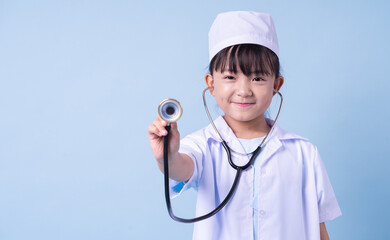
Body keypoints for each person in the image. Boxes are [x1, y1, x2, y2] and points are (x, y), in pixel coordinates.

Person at [148, 11, 341, 240]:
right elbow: (182, 167)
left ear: (276, 85)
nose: (244, 90)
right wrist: (167, 157)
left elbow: (317, 226)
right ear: (211, 84)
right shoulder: (203, 145)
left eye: (258, 78)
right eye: (230, 77)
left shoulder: (304, 153)